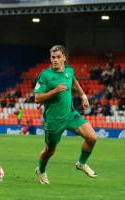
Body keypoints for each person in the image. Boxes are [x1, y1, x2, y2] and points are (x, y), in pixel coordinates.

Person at [34, 45, 98, 185]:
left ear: (64, 58)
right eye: (53, 57)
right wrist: (55, 91)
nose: (55, 60)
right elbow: (37, 98)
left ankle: (81, 163)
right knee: (49, 151)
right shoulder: (45, 75)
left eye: (58, 57)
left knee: (92, 137)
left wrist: (83, 96)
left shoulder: (69, 71)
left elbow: (74, 82)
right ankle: (41, 170)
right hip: (53, 120)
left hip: (70, 114)